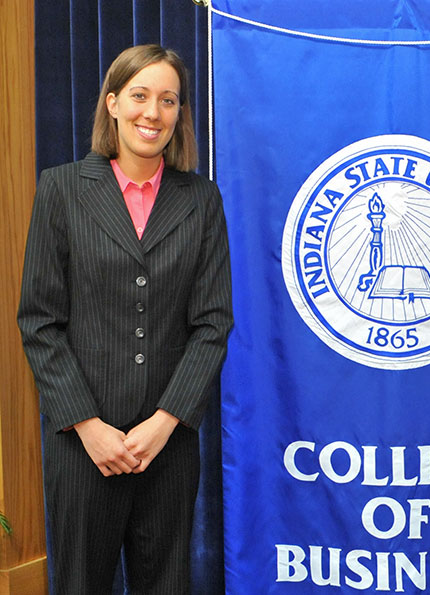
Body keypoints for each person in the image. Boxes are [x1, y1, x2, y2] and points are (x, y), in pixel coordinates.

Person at [18, 44, 233, 593]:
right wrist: (88, 427)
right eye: (139, 96)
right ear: (112, 103)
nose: (152, 113)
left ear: (180, 113)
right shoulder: (61, 189)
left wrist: (165, 423)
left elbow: (212, 326)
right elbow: (40, 321)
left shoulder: (202, 199)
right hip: (84, 444)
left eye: (168, 100)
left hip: (168, 445)